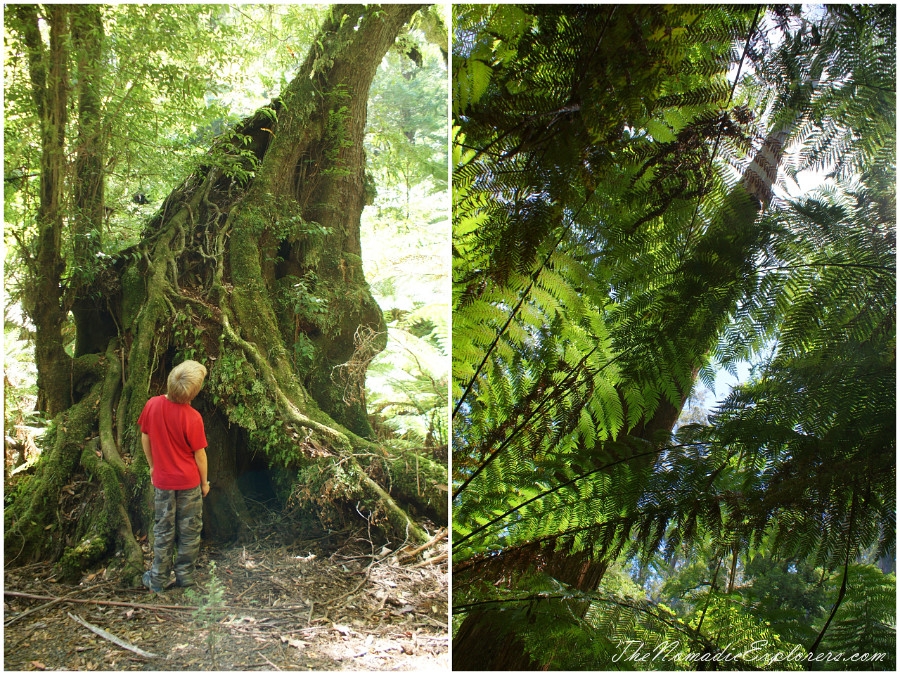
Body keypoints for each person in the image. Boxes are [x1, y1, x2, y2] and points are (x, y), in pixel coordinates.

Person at [138, 360, 211, 592]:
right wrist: (204, 483)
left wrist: (152, 466)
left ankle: (158, 578)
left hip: (163, 483)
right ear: (194, 394)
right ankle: (185, 576)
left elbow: (145, 437)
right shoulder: (193, 417)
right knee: (190, 530)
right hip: (189, 484)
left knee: (163, 529)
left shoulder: (152, 405)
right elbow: (200, 456)